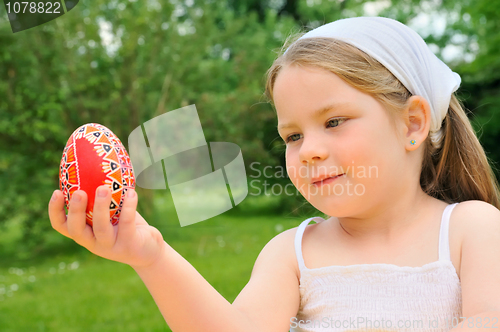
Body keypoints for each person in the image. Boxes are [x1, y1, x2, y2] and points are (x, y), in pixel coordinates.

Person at [48, 16, 500, 332]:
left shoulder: (470, 230)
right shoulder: (293, 254)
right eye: (292, 136)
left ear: (413, 123)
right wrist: (150, 256)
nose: (310, 151)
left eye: (334, 122)